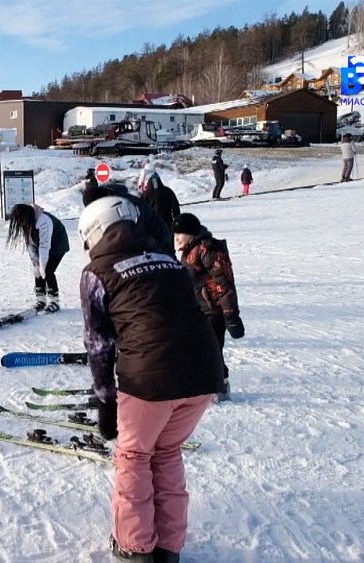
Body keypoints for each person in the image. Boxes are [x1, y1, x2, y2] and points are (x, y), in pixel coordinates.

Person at [77, 196, 224, 562]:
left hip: (150, 380)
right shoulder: (168, 261)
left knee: (134, 455)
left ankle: (135, 547)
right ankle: (168, 547)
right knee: (166, 451)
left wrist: (106, 401)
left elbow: (98, 344)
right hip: (205, 372)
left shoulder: (97, 271)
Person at [172, 213, 244, 402]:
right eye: (174, 235)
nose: (176, 239)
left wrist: (231, 315)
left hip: (215, 309)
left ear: (190, 234)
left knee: (210, 348)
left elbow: (225, 282)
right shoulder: (190, 251)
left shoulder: (208, 250)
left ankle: (219, 387)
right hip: (198, 309)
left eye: (179, 234)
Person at [6, 203, 69, 312]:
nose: (19, 223)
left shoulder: (44, 221)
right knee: (38, 269)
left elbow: (45, 245)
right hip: (42, 245)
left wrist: (42, 265)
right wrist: (36, 263)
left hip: (58, 243)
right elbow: (30, 245)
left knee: (48, 270)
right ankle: (41, 300)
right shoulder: (26, 222)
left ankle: (54, 301)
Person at [82, 183, 174, 255]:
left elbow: (133, 236)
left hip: (159, 242)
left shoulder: (126, 207)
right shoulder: (111, 204)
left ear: (101, 202)